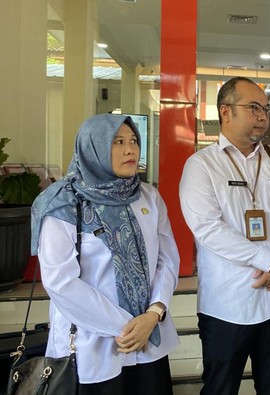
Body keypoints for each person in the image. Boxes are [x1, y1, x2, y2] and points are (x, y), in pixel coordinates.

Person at [179, 76, 270, 395]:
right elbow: (208, 229)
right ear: (226, 112)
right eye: (254, 108)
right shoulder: (201, 166)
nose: (263, 116)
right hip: (228, 305)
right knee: (220, 388)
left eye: (266, 108)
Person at [31, 114, 180, 394]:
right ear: (93, 147)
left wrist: (154, 313)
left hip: (149, 337)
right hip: (93, 343)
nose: (130, 150)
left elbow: (167, 258)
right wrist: (127, 327)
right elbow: (61, 282)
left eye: (134, 141)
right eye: (117, 142)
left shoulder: (148, 196)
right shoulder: (62, 204)